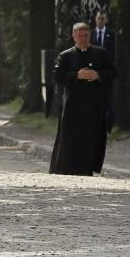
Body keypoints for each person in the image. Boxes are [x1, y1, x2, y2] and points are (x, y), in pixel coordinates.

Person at [49, 22, 116, 176]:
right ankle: (67, 168)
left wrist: (98, 74)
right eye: (79, 35)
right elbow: (57, 76)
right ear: (73, 36)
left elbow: (112, 71)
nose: (83, 38)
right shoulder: (65, 56)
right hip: (73, 105)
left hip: (94, 105)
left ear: (90, 36)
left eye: (86, 35)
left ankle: (89, 168)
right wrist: (76, 75)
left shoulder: (101, 54)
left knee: (92, 139)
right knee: (70, 139)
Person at [93, 10, 117, 132]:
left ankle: (109, 127)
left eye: (103, 18)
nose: (101, 21)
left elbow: (114, 54)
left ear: (106, 20)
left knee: (109, 100)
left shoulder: (111, 35)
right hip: (94, 72)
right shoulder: (91, 35)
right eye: (99, 18)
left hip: (107, 73)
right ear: (95, 20)